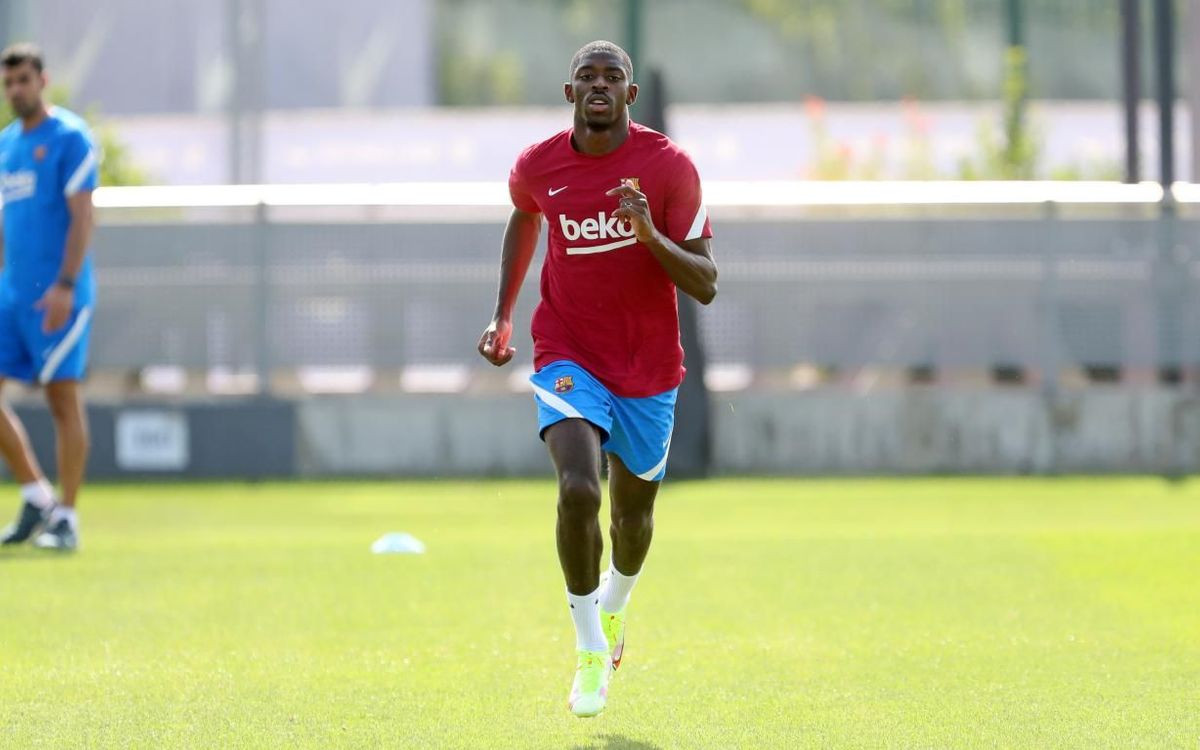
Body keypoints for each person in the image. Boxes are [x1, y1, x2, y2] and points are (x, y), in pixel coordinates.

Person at [476, 40, 717, 717]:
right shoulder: (538, 167)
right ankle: (588, 650)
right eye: (588, 76)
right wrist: (502, 315)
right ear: (570, 92)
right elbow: (526, 216)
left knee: (632, 519)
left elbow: (706, 283)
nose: (600, 85)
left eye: (613, 77)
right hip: (567, 352)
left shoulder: (668, 169)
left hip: (647, 367)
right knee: (579, 488)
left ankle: (613, 606)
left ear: (630, 96)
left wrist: (647, 233)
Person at [0, 43, 98, 552]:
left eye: (23, 80)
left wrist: (64, 284)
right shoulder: (5, 145)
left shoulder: (70, 138)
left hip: (59, 292)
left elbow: (82, 215)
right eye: (8, 82)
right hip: (12, 292)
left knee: (62, 398)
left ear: (44, 80)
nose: (16, 90)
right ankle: (37, 496)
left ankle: (69, 517)